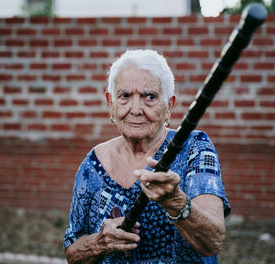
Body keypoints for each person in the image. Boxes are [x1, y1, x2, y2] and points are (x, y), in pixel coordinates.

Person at [63, 49, 231, 263]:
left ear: (169, 106)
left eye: (149, 97)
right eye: (124, 96)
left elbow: (212, 242)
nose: (136, 109)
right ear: (111, 104)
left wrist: (175, 201)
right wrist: (100, 242)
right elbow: (72, 253)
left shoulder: (194, 148)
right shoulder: (93, 164)